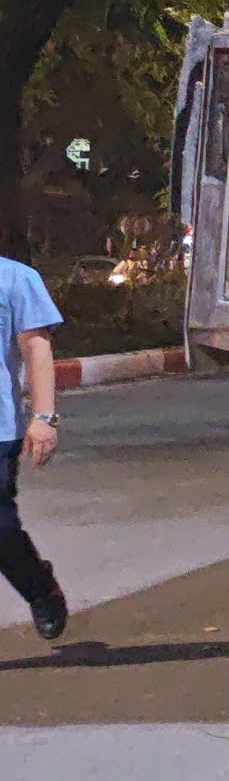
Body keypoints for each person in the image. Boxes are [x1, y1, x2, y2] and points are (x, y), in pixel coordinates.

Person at [2, 254, 68, 640]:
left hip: (0, 428)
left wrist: (44, 417)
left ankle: (39, 588)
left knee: (1, 528)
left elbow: (36, 347)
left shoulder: (15, 278)